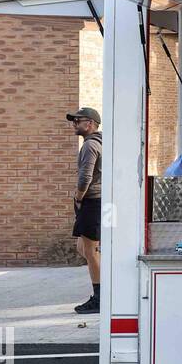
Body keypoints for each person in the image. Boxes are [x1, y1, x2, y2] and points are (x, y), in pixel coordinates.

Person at [68, 107, 103, 315]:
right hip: (97, 202)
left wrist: (78, 197)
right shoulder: (101, 142)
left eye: (78, 121)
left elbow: (85, 177)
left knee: (90, 251)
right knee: (83, 247)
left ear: (89, 124)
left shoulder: (90, 145)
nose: (74, 124)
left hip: (92, 201)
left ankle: (100, 298)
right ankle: (106, 288)